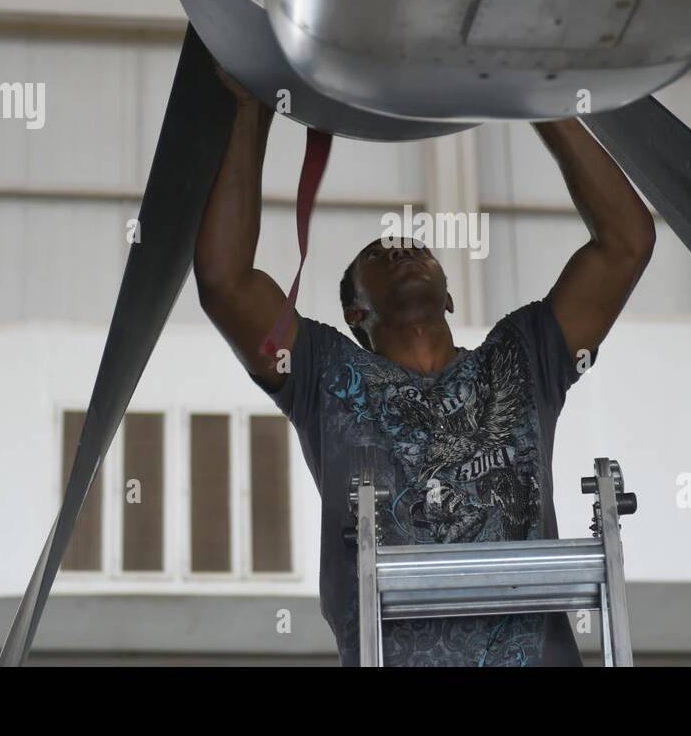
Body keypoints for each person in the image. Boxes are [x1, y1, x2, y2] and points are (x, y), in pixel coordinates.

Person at [194, 68, 655, 666]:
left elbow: (627, 241)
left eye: (417, 248)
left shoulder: (521, 356)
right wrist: (250, 110)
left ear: (450, 297)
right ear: (355, 311)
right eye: (379, 255)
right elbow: (224, 283)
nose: (402, 248)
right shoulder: (323, 374)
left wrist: (533, 95)